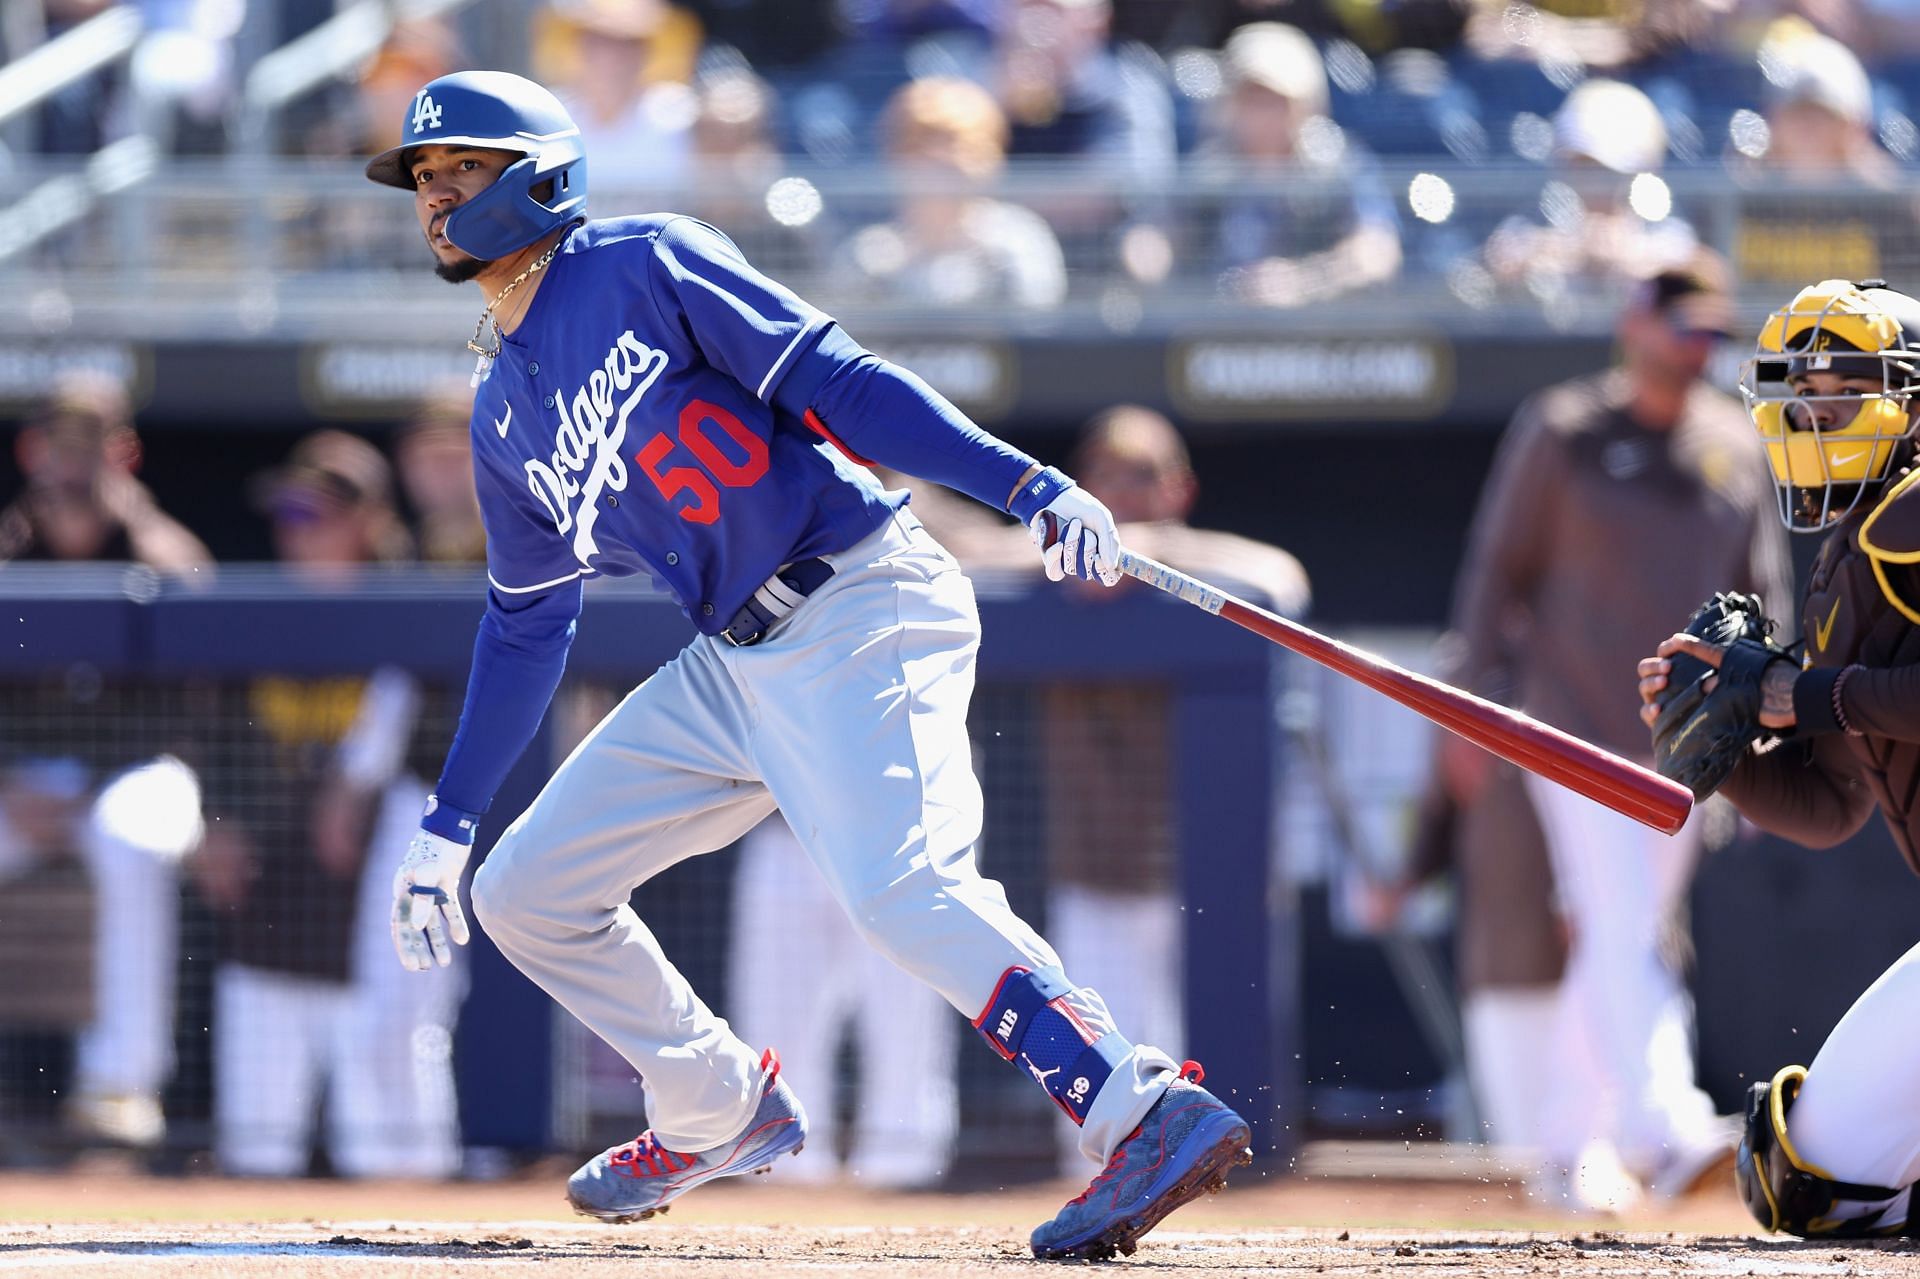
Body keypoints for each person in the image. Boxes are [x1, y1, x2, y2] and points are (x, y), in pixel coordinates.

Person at [368, 70, 1251, 1260]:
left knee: (903, 891)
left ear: (539, 171)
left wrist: (1022, 481)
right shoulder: (497, 412)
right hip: (730, 664)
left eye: (459, 169)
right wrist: (449, 819)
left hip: (856, 592)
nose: (435, 197)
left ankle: (1141, 1106)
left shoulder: (645, 261)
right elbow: (528, 622)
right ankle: (712, 1104)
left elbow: (840, 383)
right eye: (423, 177)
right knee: (525, 888)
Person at [1435, 252, 1791, 1210]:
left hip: (1690, 741)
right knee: (1620, 918)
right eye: (1679, 326)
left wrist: (1764, 728)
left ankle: (1569, 1148)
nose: (1693, 347)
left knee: (1622, 929)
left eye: (1710, 331)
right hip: (1572, 725)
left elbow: (1762, 596)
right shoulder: (1563, 429)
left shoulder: (1734, 443)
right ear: (1634, 327)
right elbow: (1496, 571)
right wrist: (1473, 702)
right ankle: (1664, 1126)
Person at [1637, 277, 1920, 1237]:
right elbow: (1835, 803)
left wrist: (1795, 695)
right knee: (1807, 1175)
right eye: (1802, 396)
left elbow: (1824, 702)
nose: (1813, 414)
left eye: (1842, 390)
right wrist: (1723, 746)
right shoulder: (1855, 553)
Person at [1027, 406, 1308, 1171]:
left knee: (1212, 1086)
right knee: (1086, 1107)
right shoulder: (1047, 564)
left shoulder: (1206, 568)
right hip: (1092, 871)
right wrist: (1072, 545)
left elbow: (1285, 577)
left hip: (1200, 884)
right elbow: (962, 548)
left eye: (1141, 476)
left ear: (1180, 488)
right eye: (1105, 477)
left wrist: (1144, 552)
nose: (1121, 492)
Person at [200, 431, 460, 1177]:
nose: (295, 531)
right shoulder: (250, 617)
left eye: (315, 514)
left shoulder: (422, 614)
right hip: (271, 922)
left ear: (367, 521)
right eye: (287, 513)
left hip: (375, 933)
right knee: (253, 1157)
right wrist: (212, 822)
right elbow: (203, 746)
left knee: (392, 1152)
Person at [1203, 23, 1401, 309]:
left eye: (1277, 101)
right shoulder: (1209, 173)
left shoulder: (1336, 164)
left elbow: (1378, 253)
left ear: (1307, 105)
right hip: (1218, 337)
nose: (1263, 115)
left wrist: (1303, 280)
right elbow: (1162, 244)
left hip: (1321, 336)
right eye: (1252, 99)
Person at [837, 77, 1067, 311]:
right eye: (920, 151)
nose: (939, 167)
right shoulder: (871, 254)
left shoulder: (1014, 239)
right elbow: (843, 334)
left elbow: (1036, 324)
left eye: (959, 152)